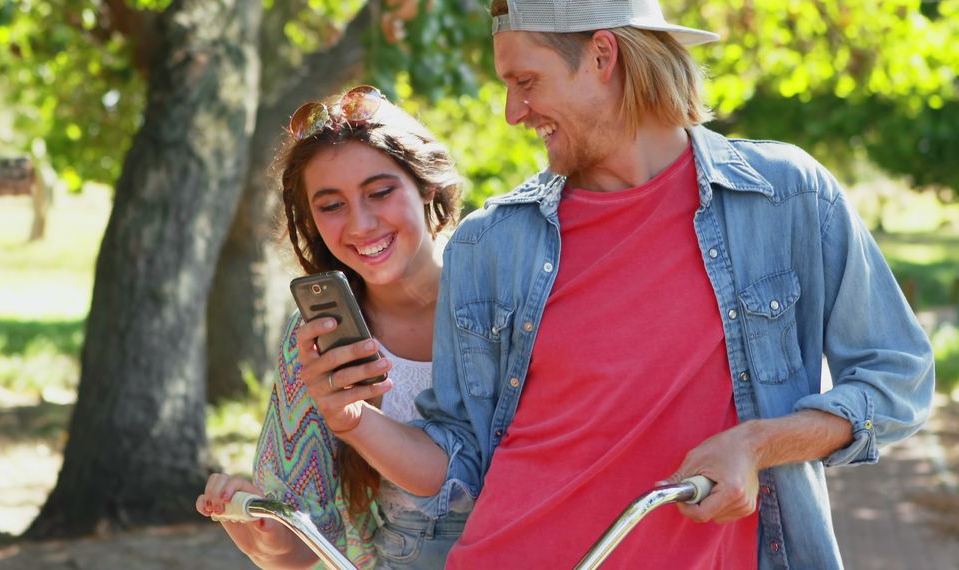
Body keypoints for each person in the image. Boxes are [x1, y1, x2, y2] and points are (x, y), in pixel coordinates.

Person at [307, 1, 937, 569]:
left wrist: (759, 443)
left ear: (603, 56)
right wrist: (353, 419)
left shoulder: (785, 196)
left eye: (526, 82)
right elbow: (461, 460)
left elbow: (896, 380)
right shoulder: (489, 244)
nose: (512, 112)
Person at [194, 85, 469, 569]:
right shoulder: (319, 338)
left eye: (380, 192)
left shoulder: (502, 303)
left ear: (426, 187)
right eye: (331, 205)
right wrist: (254, 526)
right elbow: (297, 549)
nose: (360, 224)